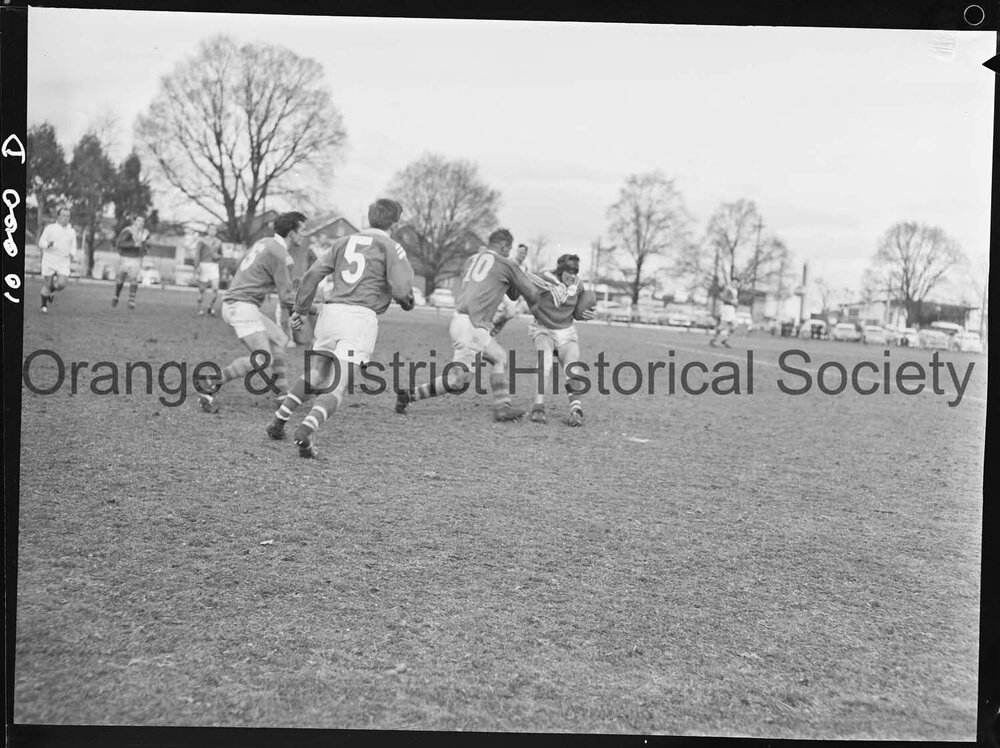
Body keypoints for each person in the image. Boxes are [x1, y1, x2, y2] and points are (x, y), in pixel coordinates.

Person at [266, 199, 415, 458]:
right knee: (338, 385)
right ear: (395, 223)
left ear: (369, 218)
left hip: (330, 314)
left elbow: (312, 274)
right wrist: (406, 301)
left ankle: (279, 420)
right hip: (359, 319)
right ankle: (307, 428)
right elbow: (402, 290)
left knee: (316, 374)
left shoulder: (342, 242)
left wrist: (300, 310)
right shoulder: (392, 246)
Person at [395, 228, 540, 422]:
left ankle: (503, 405)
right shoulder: (505, 263)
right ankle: (408, 395)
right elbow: (530, 293)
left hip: (463, 321)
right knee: (458, 381)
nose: (509, 252)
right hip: (472, 325)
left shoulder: (472, 260)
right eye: (509, 248)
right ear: (504, 246)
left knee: (499, 357)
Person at [196, 211, 306, 414]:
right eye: (302, 231)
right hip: (242, 306)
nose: (303, 236)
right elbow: (286, 297)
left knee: (280, 338)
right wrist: (312, 306)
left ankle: (282, 395)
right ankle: (210, 382)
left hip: (236, 303)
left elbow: (248, 269)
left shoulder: (263, 242)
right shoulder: (282, 255)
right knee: (263, 359)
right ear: (291, 233)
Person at [520, 254, 595, 426]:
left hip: (566, 331)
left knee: (573, 367)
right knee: (545, 359)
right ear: (560, 271)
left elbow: (581, 307)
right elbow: (521, 277)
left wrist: (587, 314)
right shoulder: (542, 278)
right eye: (568, 271)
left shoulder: (578, 284)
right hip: (543, 327)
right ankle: (538, 407)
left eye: (575, 271)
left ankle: (576, 410)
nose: (572, 275)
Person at [37, 205, 77, 314]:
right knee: (47, 284)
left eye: (68, 216)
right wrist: (47, 244)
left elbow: (73, 246)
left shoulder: (71, 231)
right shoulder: (50, 228)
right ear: (58, 216)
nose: (66, 218)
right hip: (50, 259)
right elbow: (41, 242)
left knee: (62, 284)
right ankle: (43, 306)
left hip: (63, 261)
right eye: (64, 215)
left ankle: (52, 291)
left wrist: (72, 254)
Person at [112, 214, 149, 309]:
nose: (141, 223)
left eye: (143, 222)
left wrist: (144, 249)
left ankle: (131, 300)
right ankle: (116, 296)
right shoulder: (128, 231)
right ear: (135, 222)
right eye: (139, 221)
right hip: (125, 257)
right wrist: (133, 244)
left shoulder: (144, 233)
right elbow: (120, 243)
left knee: (134, 278)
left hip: (136, 258)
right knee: (121, 278)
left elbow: (144, 243)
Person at [193, 224, 224, 316]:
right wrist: (197, 266)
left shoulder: (219, 242)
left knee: (215, 288)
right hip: (204, 265)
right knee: (202, 289)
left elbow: (221, 254)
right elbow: (197, 254)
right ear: (208, 230)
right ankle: (199, 307)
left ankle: (210, 307)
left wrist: (217, 256)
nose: (213, 231)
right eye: (211, 229)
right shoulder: (202, 241)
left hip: (214, 266)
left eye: (214, 230)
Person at [709, 275, 739, 348]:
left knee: (735, 325)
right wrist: (732, 302)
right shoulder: (728, 289)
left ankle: (724, 340)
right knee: (722, 326)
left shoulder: (735, 290)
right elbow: (723, 297)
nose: (735, 284)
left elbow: (734, 300)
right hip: (726, 308)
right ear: (731, 282)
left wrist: (735, 304)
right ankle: (713, 340)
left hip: (731, 309)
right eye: (734, 282)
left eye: (736, 283)